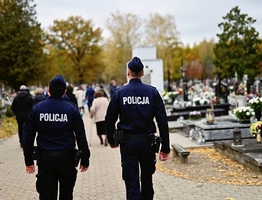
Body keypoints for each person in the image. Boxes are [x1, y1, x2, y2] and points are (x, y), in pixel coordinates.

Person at [105, 57, 170, 200]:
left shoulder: (120, 93)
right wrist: (165, 147)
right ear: (142, 73)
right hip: (148, 143)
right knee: (147, 179)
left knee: (131, 180)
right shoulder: (152, 92)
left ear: (128, 73)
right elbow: (162, 121)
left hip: (128, 143)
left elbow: (110, 119)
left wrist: (111, 139)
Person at [22, 75, 90, 200]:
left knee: (47, 195)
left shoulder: (38, 109)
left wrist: (28, 160)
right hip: (67, 159)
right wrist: (85, 158)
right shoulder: (72, 109)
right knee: (66, 194)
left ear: (49, 90)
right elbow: (80, 135)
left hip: (45, 159)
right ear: (64, 92)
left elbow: (28, 135)